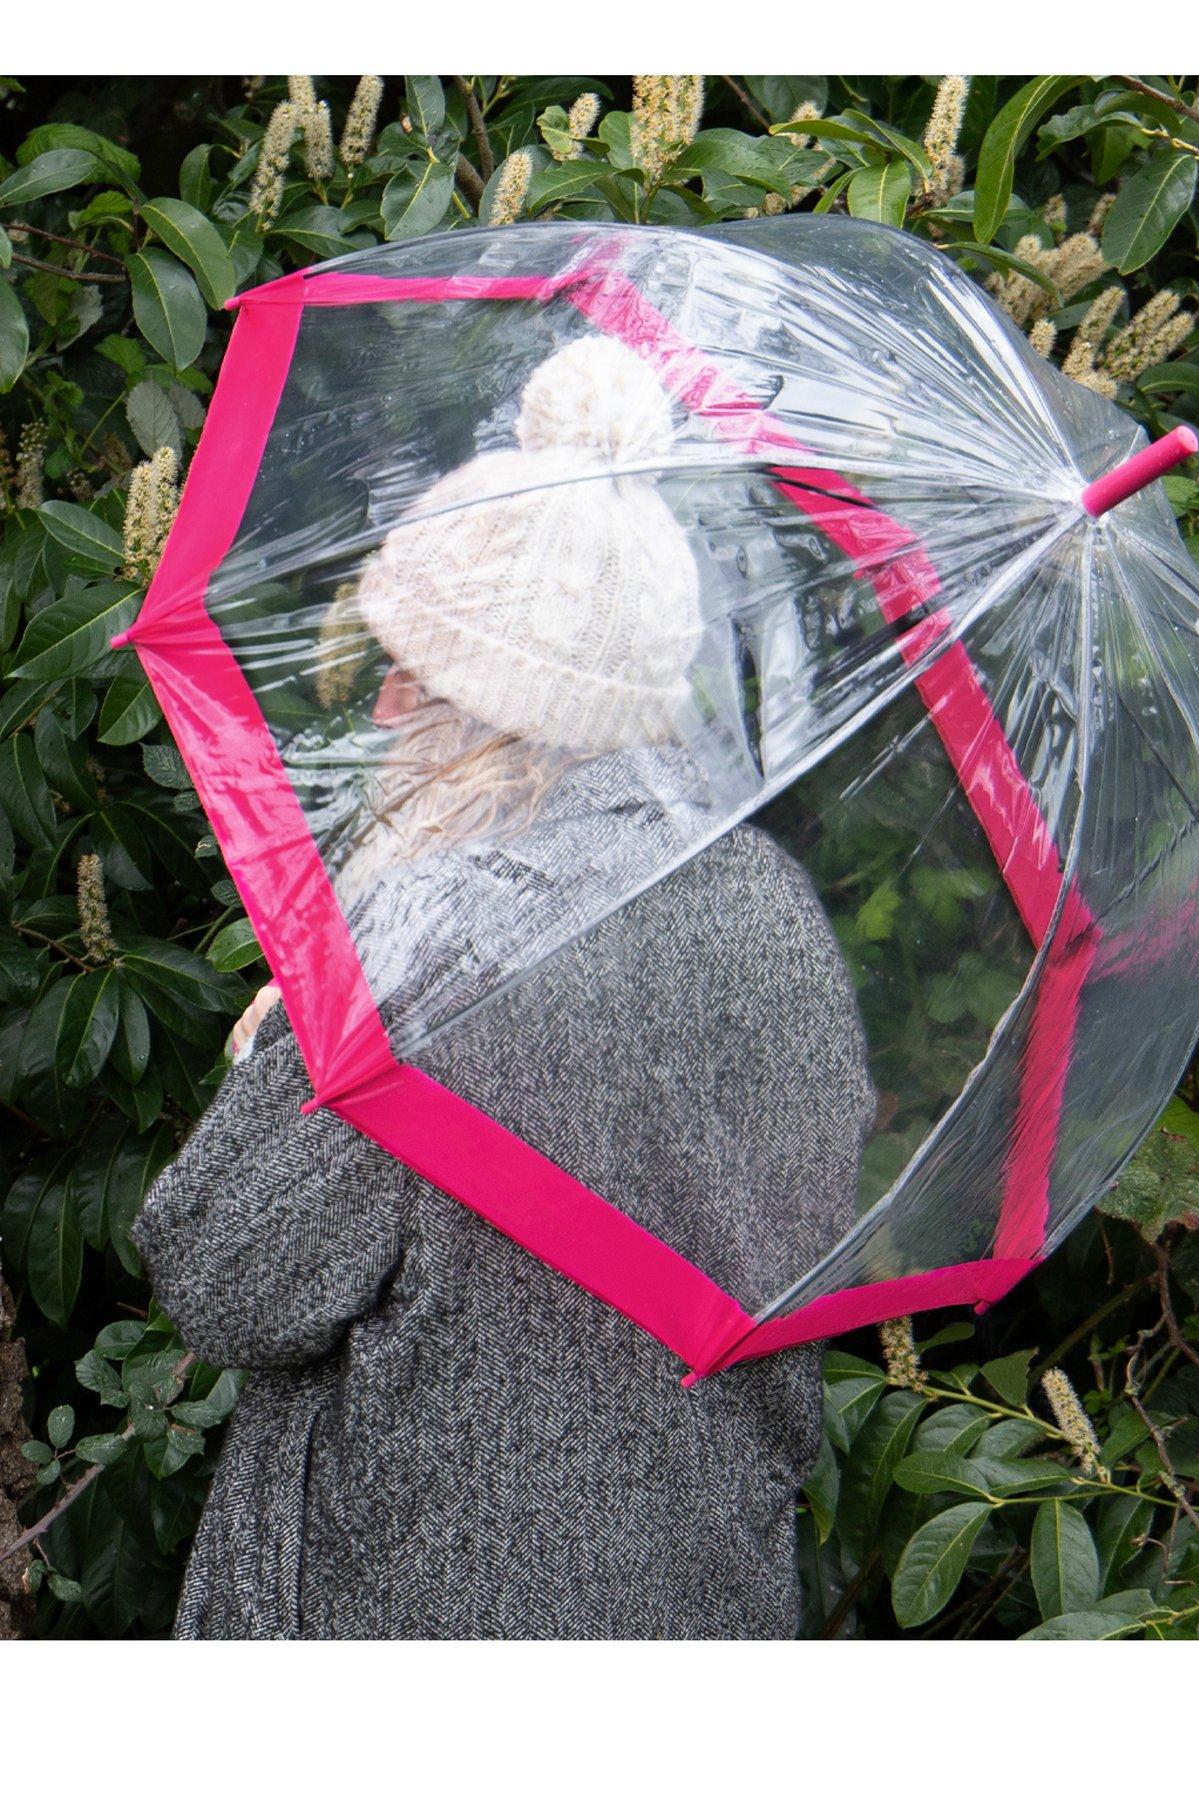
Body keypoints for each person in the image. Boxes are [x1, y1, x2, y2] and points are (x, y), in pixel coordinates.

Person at [133, 336, 874, 1639]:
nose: (373, 711)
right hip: (697, 1615)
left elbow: (227, 1278)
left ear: (492, 706)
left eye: (406, 671)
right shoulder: (770, 907)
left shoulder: (434, 947)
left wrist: (286, 1049)